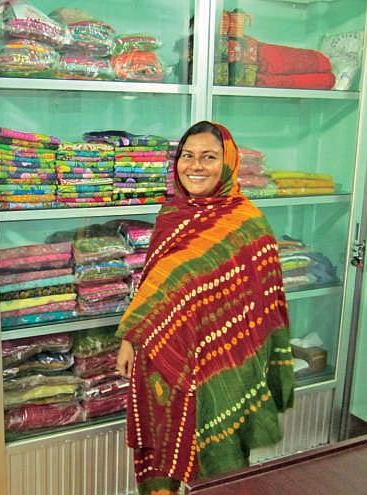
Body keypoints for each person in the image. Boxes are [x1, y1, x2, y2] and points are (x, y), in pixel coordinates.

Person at [116, 121, 295, 495]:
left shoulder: (248, 225)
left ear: (227, 163)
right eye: (188, 156)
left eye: (209, 157)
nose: (195, 166)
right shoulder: (172, 214)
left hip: (219, 364)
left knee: (218, 465)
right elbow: (152, 286)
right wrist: (130, 340)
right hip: (161, 357)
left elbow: (263, 307)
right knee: (160, 453)